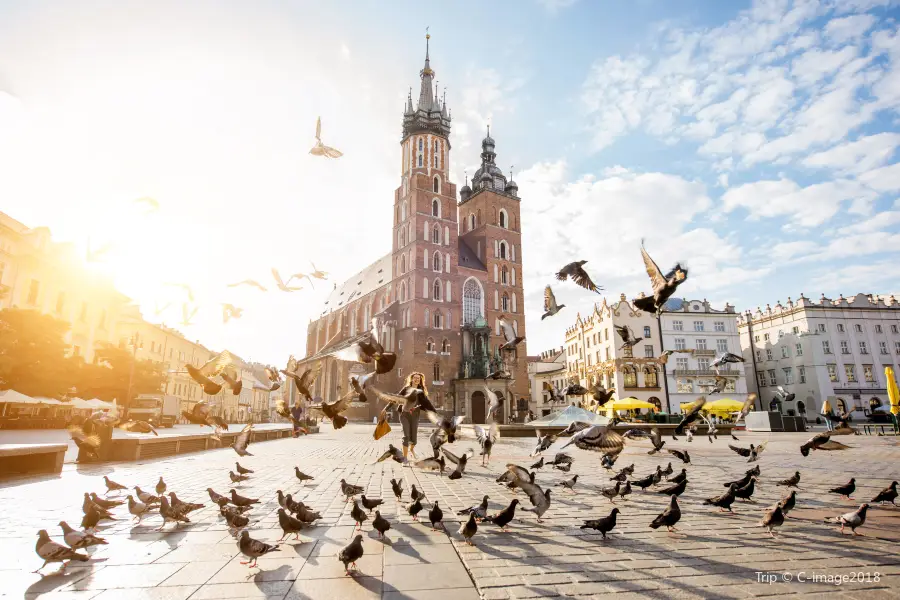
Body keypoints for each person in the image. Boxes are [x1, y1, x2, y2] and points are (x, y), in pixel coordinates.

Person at [398, 372, 428, 460]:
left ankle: (412, 449)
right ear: (411, 379)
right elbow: (396, 398)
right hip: (404, 414)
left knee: (414, 440)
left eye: (418, 378)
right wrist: (385, 409)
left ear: (420, 380)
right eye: (415, 377)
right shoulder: (406, 389)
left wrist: (434, 413)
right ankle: (405, 458)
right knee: (406, 436)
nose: (416, 379)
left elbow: (426, 404)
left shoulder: (421, 391)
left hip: (415, 416)